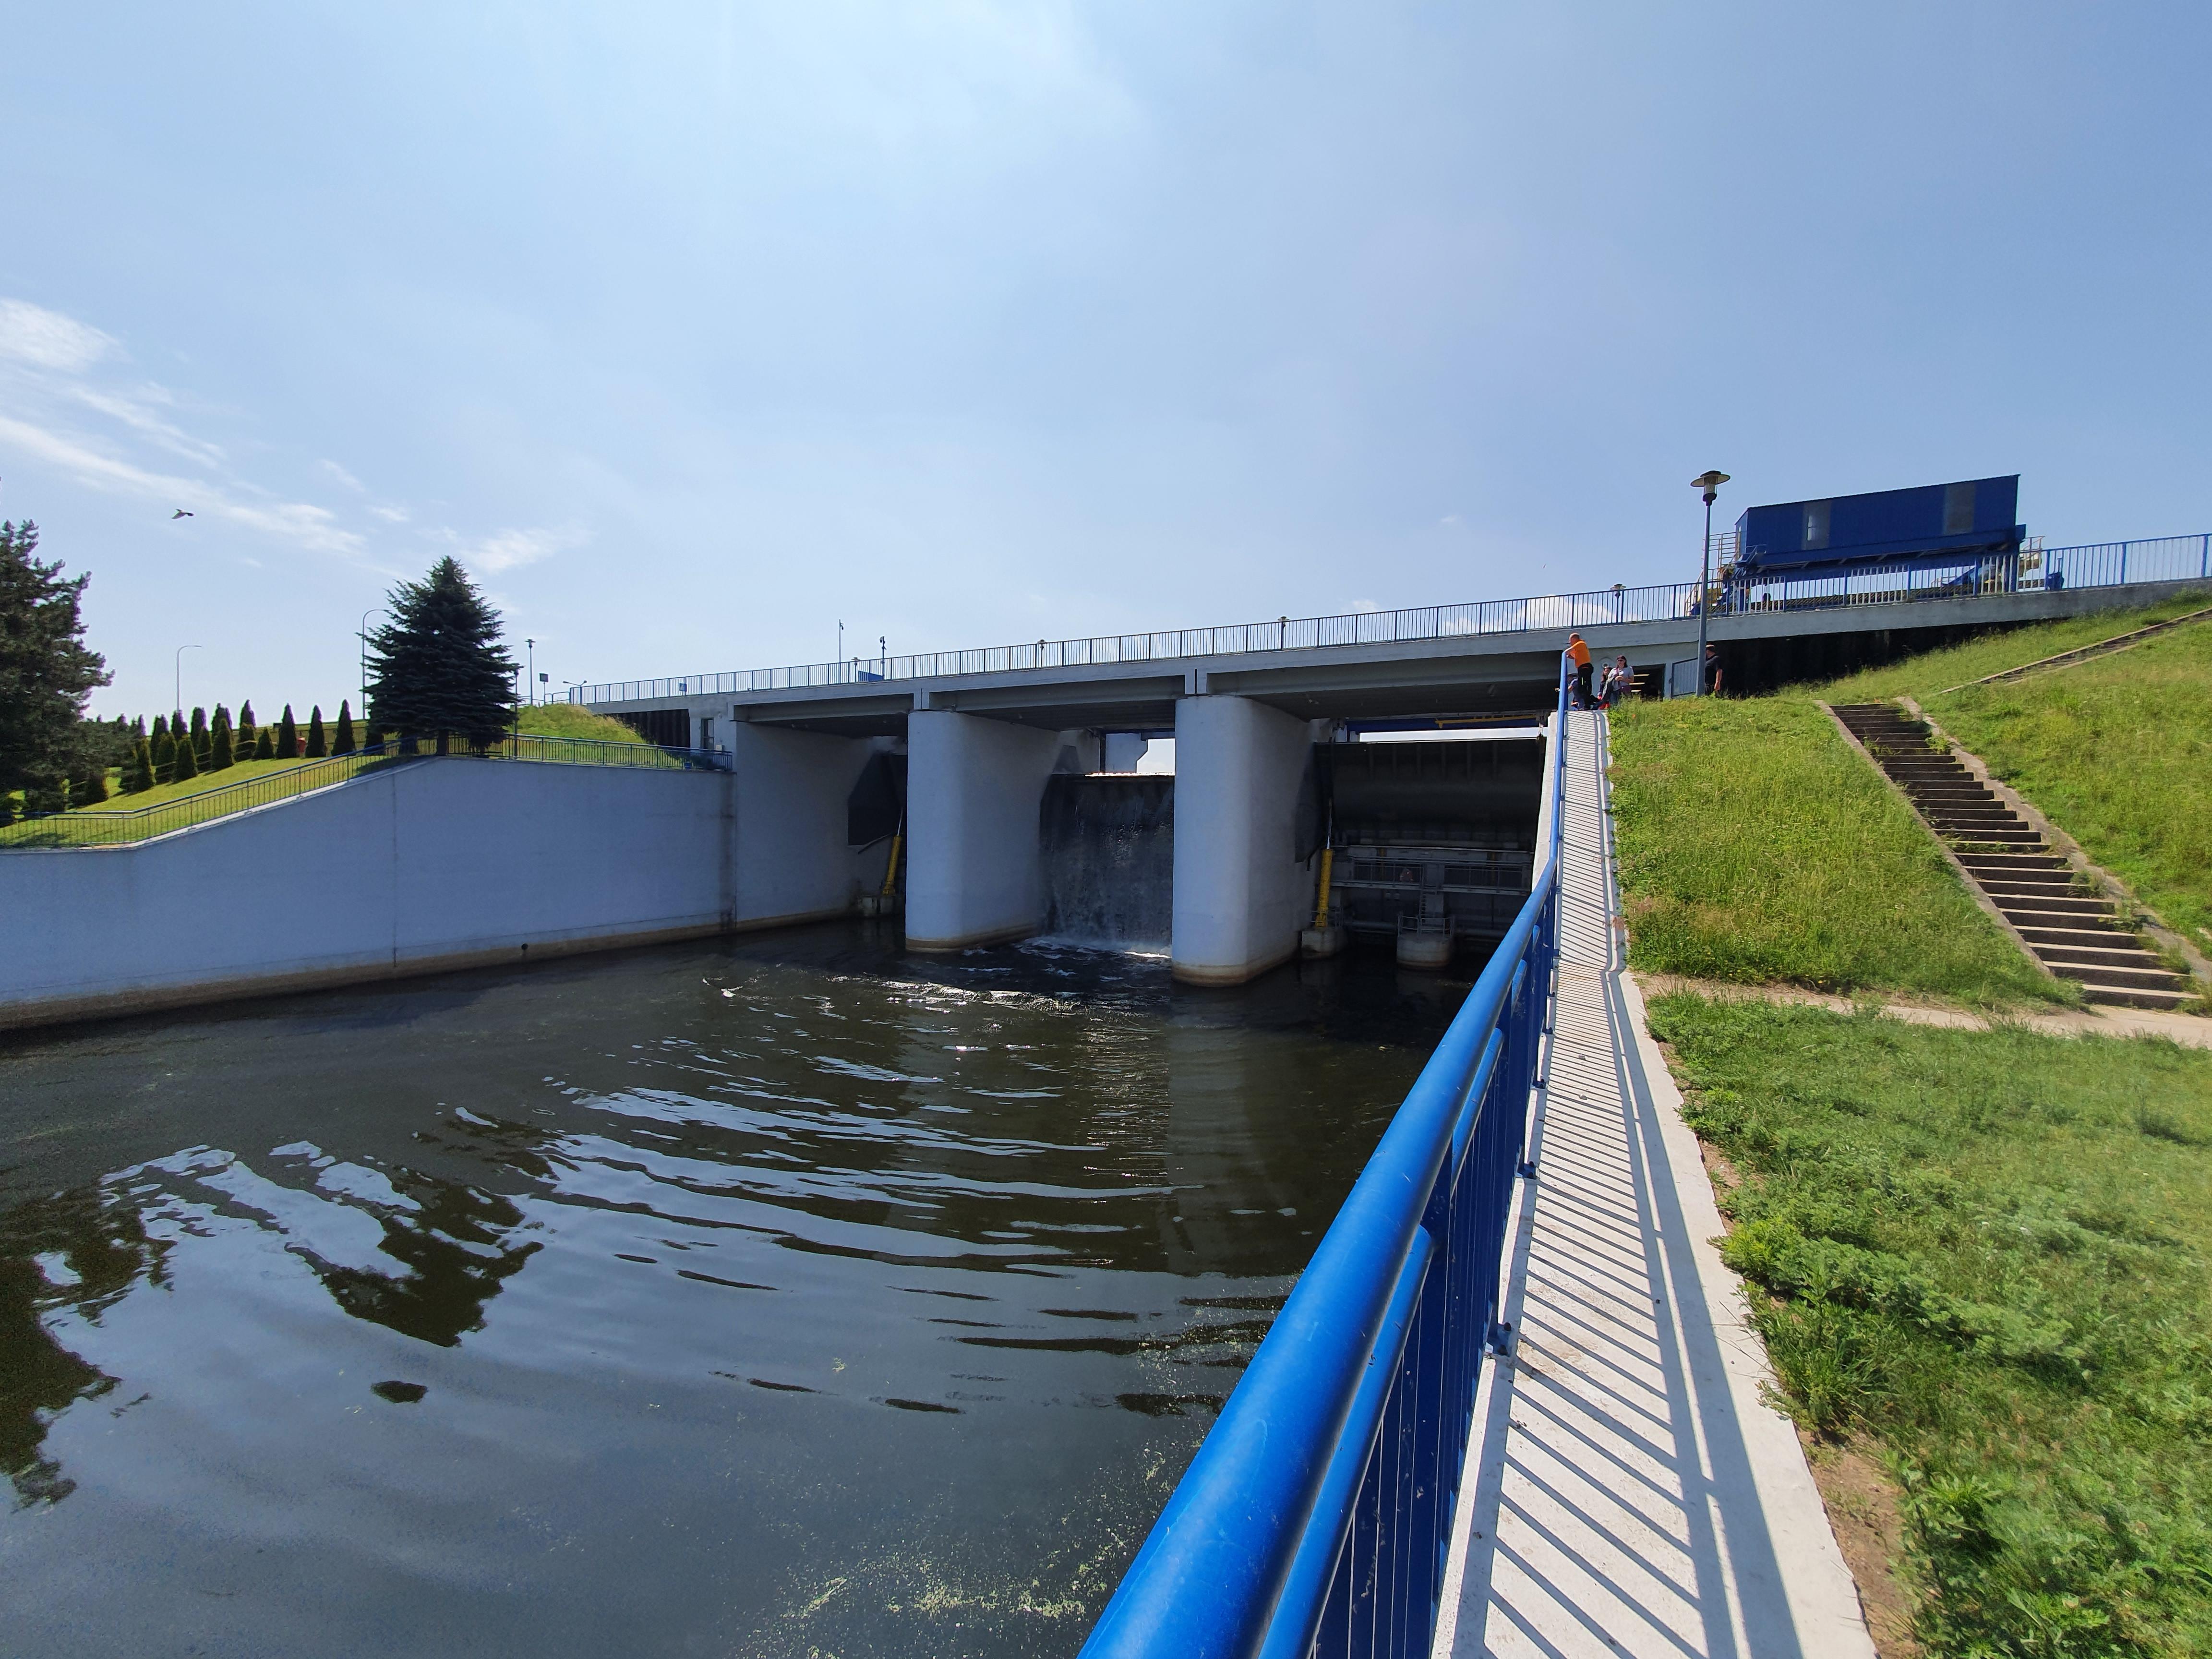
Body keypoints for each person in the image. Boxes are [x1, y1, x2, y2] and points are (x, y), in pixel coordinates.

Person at [1566, 632, 1593, 707]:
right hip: (1582, 668)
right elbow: (1574, 656)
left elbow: (1567, 651)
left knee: (1584, 686)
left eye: (1570, 640)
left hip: (1585, 668)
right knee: (1582, 686)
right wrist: (1569, 656)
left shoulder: (1580, 644)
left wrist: (1564, 655)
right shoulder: (1579, 647)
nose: (1570, 642)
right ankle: (1587, 704)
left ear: (1574, 639)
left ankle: (1587, 704)